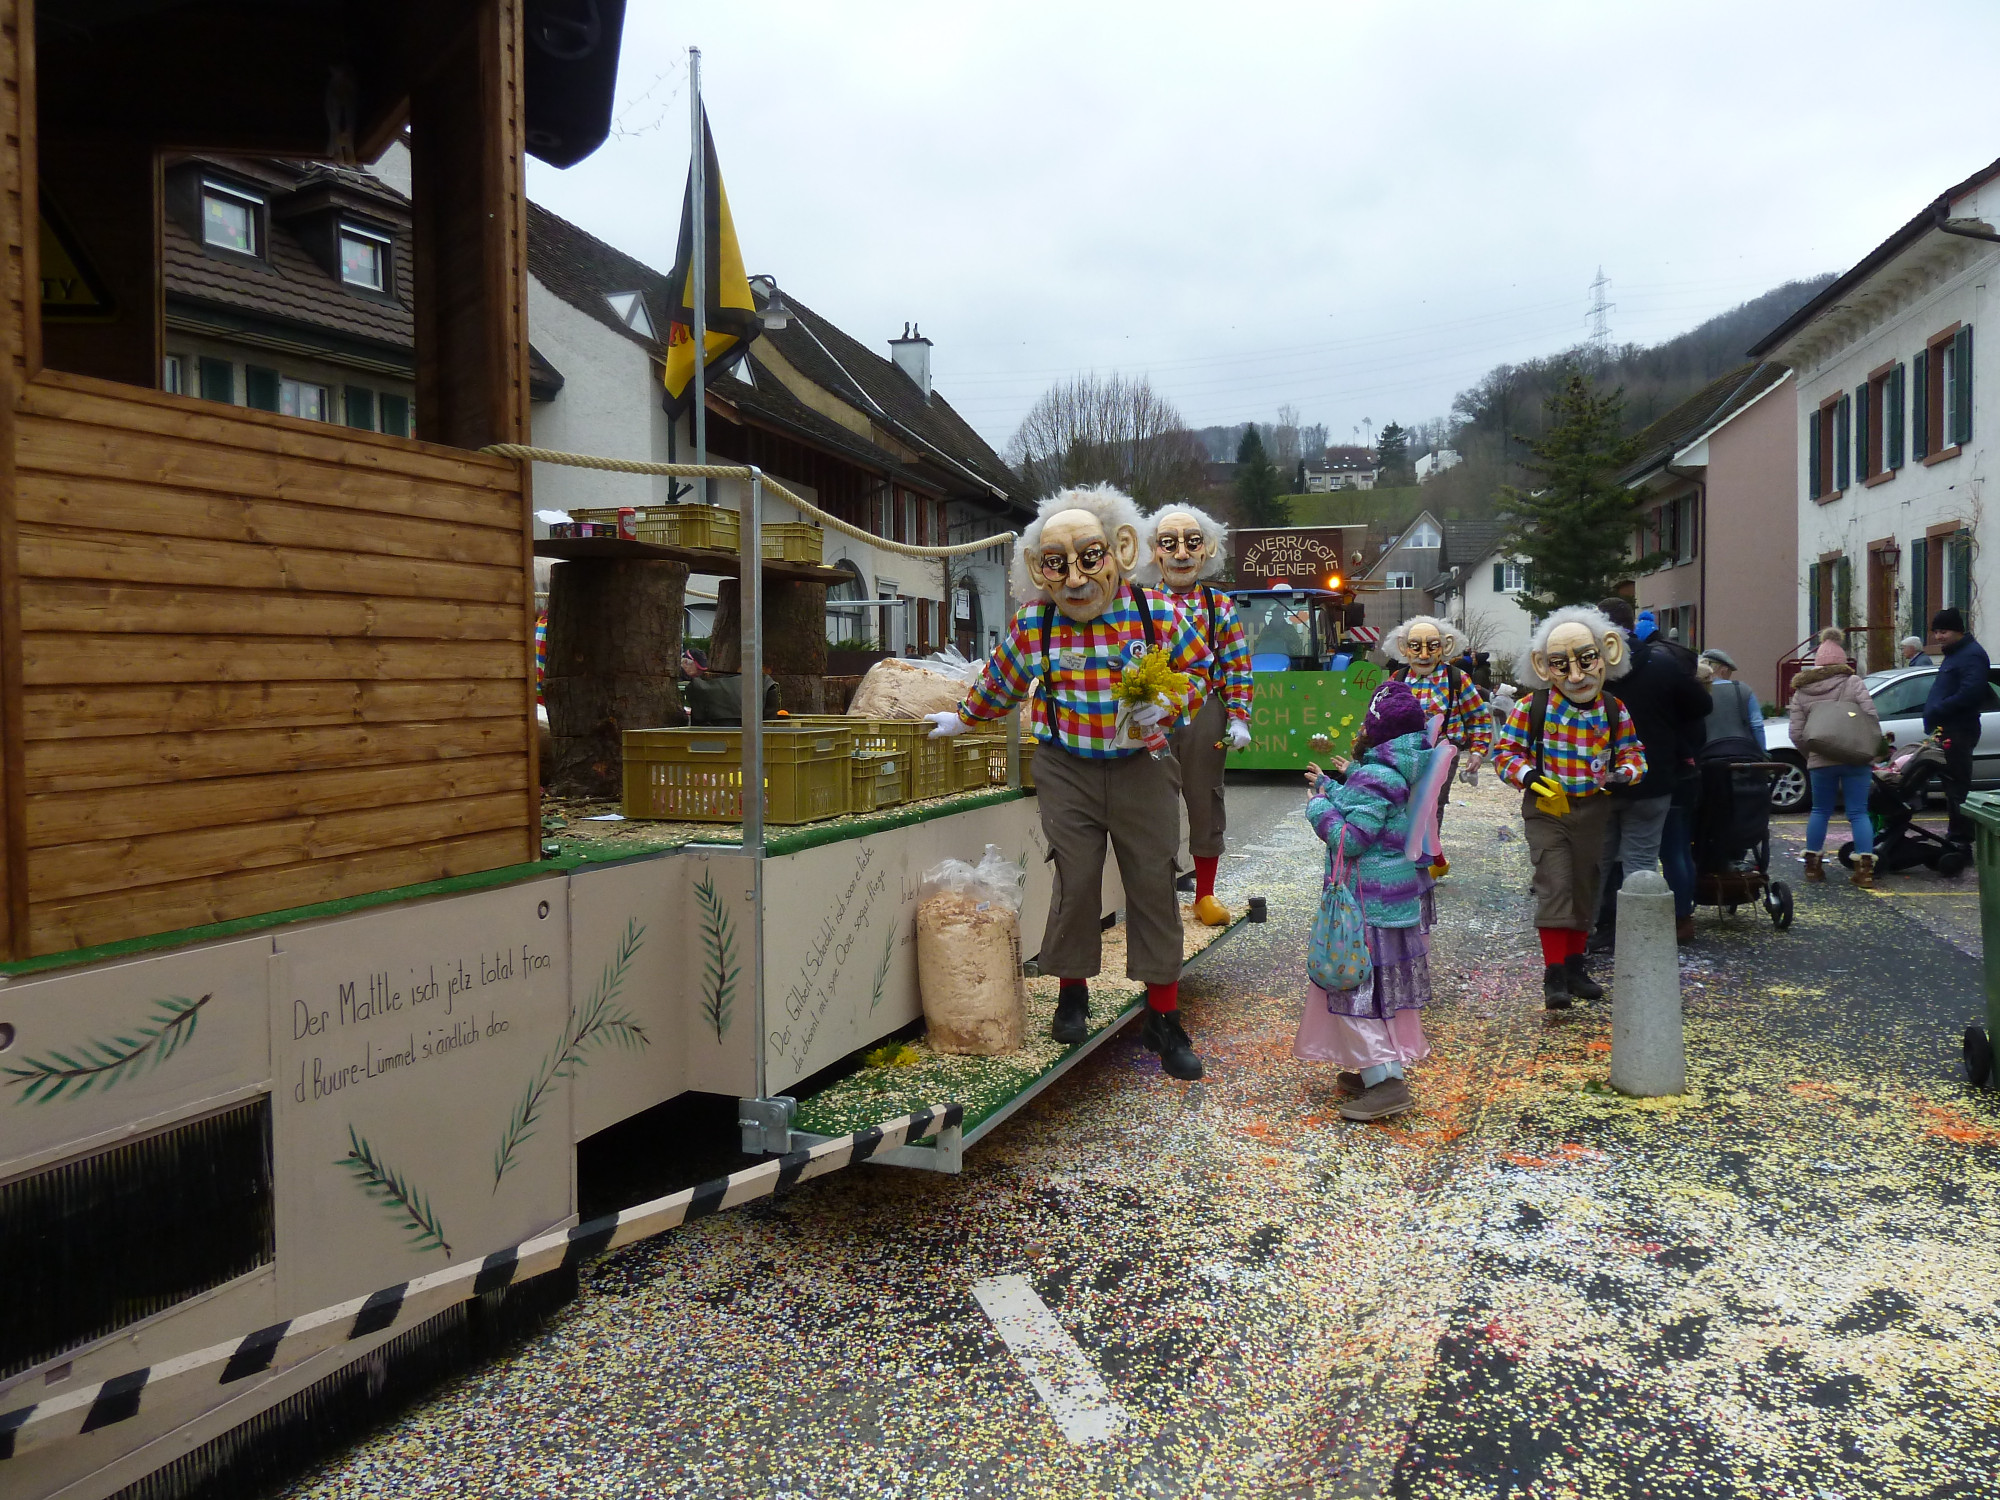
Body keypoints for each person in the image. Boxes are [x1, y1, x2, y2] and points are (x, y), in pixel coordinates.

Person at [928, 484, 1214, 1077]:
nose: (1077, 580)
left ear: (1120, 551)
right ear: (1040, 569)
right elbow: (1003, 680)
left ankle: (1163, 1014)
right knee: (1076, 878)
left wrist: (1169, 702)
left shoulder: (1157, 613)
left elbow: (1199, 671)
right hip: (1067, 766)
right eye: (1058, 565)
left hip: (1143, 765)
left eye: (1090, 558)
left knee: (1152, 881)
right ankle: (1072, 992)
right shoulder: (1037, 623)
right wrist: (963, 717)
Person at [1296, 681, 1437, 1123]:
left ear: (1377, 729)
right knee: (1374, 991)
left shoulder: (1377, 773)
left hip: (1365, 903)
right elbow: (1366, 807)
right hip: (1389, 900)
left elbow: (1352, 839)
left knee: (1351, 986)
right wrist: (1331, 787)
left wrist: (1318, 809)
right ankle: (1382, 1070)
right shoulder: (1399, 767)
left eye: (1365, 723)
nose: (1360, 729)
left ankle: (1384, 1081)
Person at [1491, 606, 1646, 1009]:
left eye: (1586, 660)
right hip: (1547, 809)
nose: (1576, 676)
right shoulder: (1532, 707)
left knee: (1584, 885)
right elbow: (1505, 753)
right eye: (1561, 665)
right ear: (1544, 667)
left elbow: (1634, 752)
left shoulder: (1613, 708)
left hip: (1593, 809)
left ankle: (1576, 967)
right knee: (1555, 883)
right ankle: (1554, 974)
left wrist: (1625, 773)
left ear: (1607, 653)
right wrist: (1529, 777)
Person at [1136, 501, 1255, 926]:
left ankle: (1204, 893)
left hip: (1205, 712)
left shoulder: (1218, 604)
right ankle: (1157, 895)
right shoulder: (1139, 602)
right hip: (1153, 714)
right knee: (1153, 804)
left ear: (1207, 550)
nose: (1182, 553)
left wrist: (1238, 715)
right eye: (1169, 544)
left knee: (1206, 799)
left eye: (1192, 542)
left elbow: (1236, 664)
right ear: (1154, 551)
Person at [1596, 598, 1710, 945]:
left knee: (1597, 861)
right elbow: (1701, 705)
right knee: (1642, 861)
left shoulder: (1588, 668)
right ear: (1632, 624)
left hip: (1599, 778)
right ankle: (1640, 939)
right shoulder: (1662, 665)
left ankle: (1590, 932)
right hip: (1653, 775)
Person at [1382, 614, 1492, 878]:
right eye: (1415, 646)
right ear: (1403, 648)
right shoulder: (1398, 678)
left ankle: (1424, 859)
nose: (1424, 654)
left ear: (1445, 646)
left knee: (1431, 803)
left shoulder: (1457, 679)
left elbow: (1478, 717)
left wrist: (1477, 751)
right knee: (1401, 802)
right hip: (1404, 753)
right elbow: (1380, 715)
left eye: (1432, 646)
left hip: (1442, 752)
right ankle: (1411, 854)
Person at [1789, 628, 1881, 887]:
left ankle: (1813, 867)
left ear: (1817, 663)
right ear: (1842, 662)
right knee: (1858, 812)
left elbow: (1796, 733)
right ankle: (1864, 870)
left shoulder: (1802, 690)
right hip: (1855, 757)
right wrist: (1869, 747)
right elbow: (1871, 717)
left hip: (1820, 760)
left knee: (1820, 810)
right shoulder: (1853, 683)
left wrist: (1813, 752)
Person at [1922, 608, 1990, 849]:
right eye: (1936, 632)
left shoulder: (1971, 655)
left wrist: (1939, 708)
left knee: (1957, 786)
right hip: (1948, 727)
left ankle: (1961, 840)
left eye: (1944, 632)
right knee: (1950, 786)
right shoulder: (1955, 654)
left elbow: (1971, 692)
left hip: (1959, 728)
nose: (1938, 637)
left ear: (1958, 631)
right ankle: (1955, 836)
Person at [1698, 648, 1766, 758]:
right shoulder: (1743, 689)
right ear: (1723, 670)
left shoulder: (1698, 691)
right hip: (1743, 752)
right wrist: (1763, 752)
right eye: (1729, 672)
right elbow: (1757, 725)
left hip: (1707, 754)